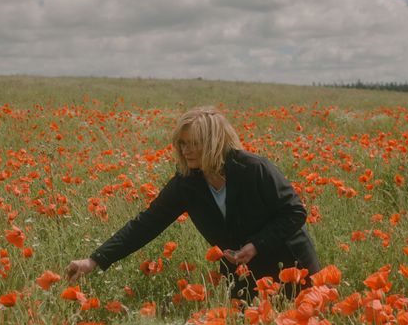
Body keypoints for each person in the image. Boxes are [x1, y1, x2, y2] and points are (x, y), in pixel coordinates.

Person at [64, 106, 321, 299]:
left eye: (194, 144)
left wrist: (256, 244)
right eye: (182, 144)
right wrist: (94, 260)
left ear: (214, 142)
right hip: (242, 274)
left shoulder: (253, 169)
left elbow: (295, 213)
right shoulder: (187, 183)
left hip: (290, 266)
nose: (186, 151)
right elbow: (146, 224)